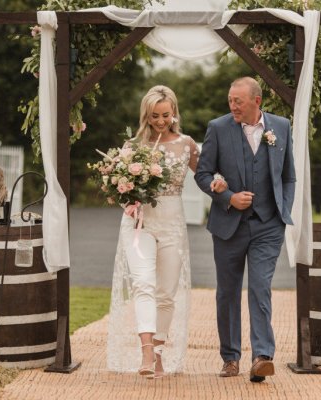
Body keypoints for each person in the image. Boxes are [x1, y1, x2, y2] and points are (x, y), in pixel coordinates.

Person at [107, 85, 225, 378]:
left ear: (174, 113)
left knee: (166, 294)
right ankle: (145, 350)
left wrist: (219, 182)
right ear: (146, 115)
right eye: (154, 116)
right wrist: (126, 197)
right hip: (139, 224)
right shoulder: (132, 146)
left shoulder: (186, 144)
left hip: (172, 224)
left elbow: (206, 173)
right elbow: (117, 187)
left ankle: (158, 351)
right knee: (143, 285)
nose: (160, 121)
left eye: (165, 115)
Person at [194, 77, 296, 383]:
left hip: (268, 225)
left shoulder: (281, 126)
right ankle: (230, 358)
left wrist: (282, 209)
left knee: (260, 287)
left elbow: (289, 176)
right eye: (230, 100)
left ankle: (262, 356)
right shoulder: (218, 127)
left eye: (238, 101)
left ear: (257, 101)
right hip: (228, 226)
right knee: (227, 292)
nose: (233, 106)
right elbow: (202, 173)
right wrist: (227, 197)